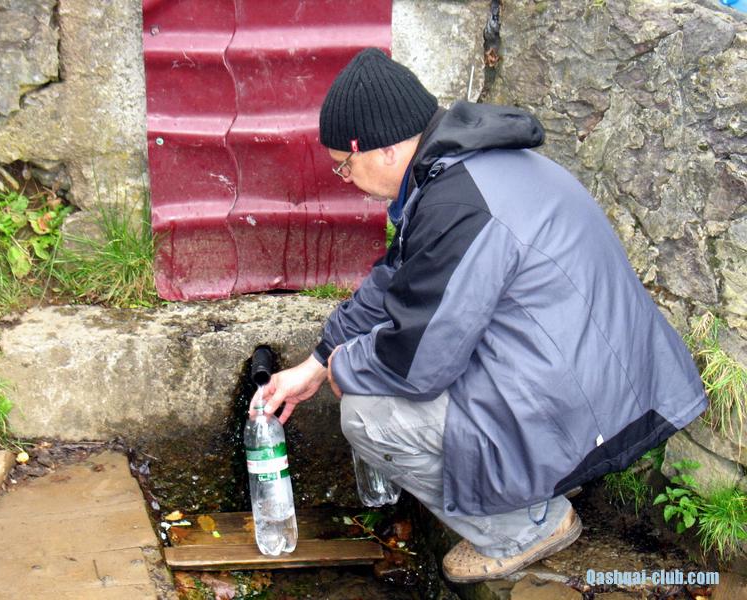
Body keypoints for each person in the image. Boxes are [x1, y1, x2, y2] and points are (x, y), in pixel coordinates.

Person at [258, 48, 708, 582]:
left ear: (384, 149)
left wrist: (344, 367)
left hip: (592, 404)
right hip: (605, 379)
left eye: (344, 164)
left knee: (368, 413)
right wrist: (317, 360)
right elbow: (398, 280)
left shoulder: (457, 205)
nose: (344, 177)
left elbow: (417, 366)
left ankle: (524, 528)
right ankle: (540, 479)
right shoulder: (461, 170)